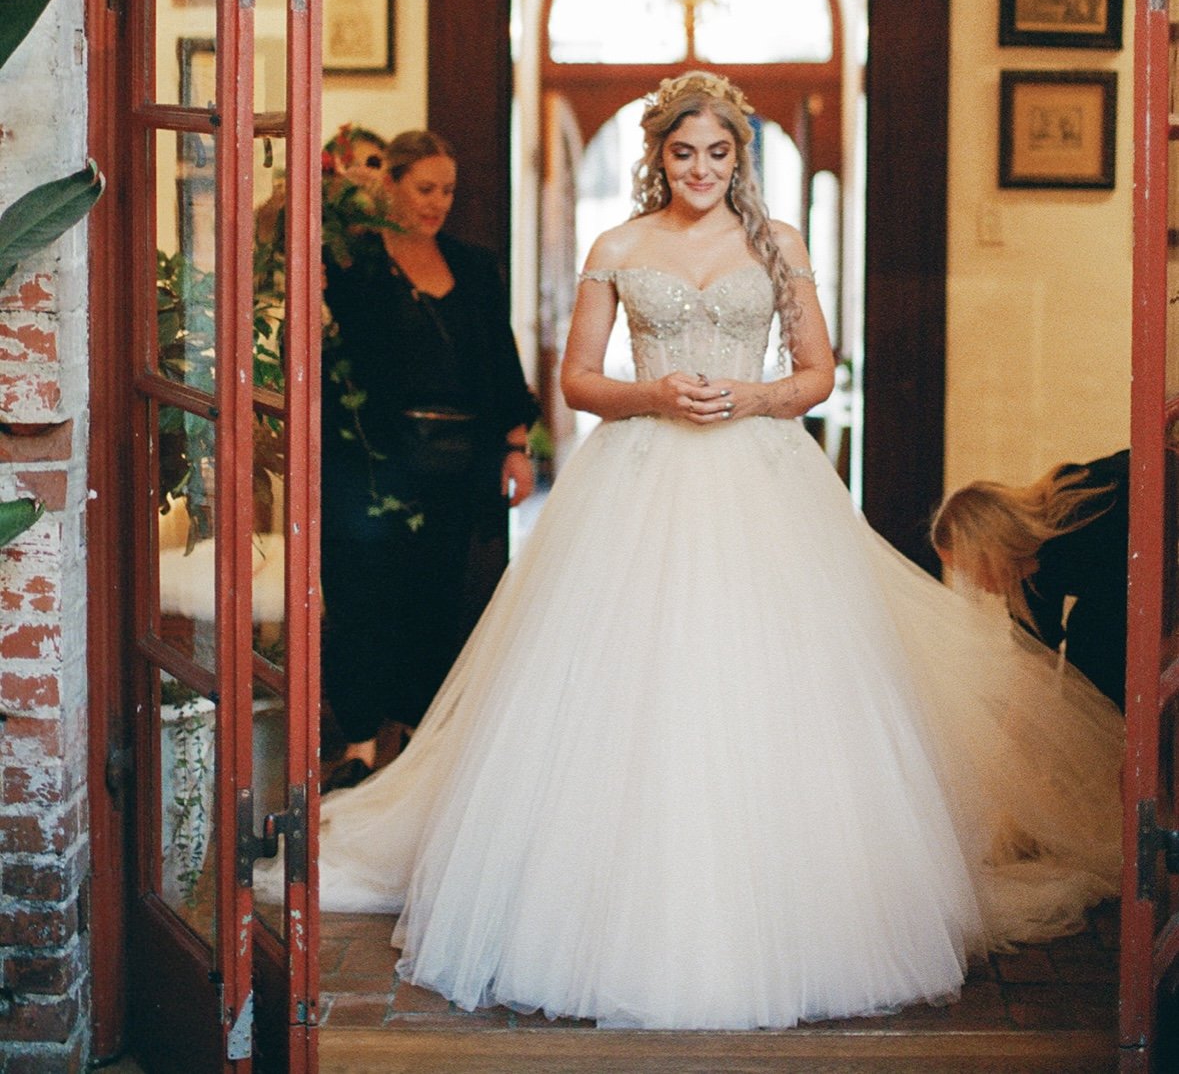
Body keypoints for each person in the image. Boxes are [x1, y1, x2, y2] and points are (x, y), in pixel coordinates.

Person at [302, 72, 1122, 1030]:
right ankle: (595, 902)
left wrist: (752, 396)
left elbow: (815, 372)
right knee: (628, 679)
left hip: (759, 475)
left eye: (718, 153)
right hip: (640, 475)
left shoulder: (779, 245)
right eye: (683, 152)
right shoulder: (618, 246)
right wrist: (652, 395)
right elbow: (575, 379)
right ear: (659, 156)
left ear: (741, 158)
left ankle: (798, 906)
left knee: (769, 678)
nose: (699, 169)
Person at [319, 128, 538, 792]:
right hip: (370, 461)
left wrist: (515, 443)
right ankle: (358, 744)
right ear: (390, 184)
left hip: (456, 464)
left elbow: (500, 359)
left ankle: (416, 743)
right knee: (361, 598)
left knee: (435, 600)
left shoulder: (473, 265)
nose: (437, 201)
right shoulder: (351, 261)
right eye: (424, 188)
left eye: (447, 189)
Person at [931, 450, 1129, 709]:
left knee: (1089, 636)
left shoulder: (1082, 513)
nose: (971, 583)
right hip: (1124, 589)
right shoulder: (1029, 579)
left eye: (965, 569)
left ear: (988, 551)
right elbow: (1035, 665)